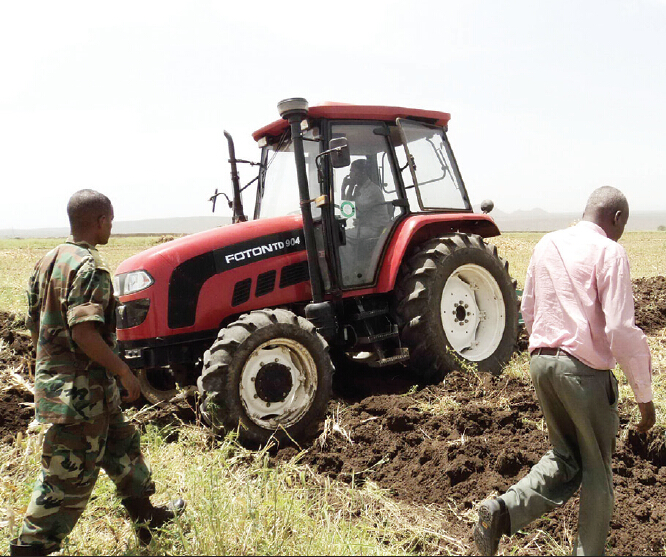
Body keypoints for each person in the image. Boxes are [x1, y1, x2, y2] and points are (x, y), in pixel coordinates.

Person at [473, 186, 655, 556]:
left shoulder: (547, 245)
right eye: (623, 224)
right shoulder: (611, 252)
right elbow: (621, 330)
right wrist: (645, 398)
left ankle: (502, 512)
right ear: (617, 218)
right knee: (597, 474)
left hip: (542, 364)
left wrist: (546, 351)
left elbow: (528, 308)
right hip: (583, 372)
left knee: (565, 457)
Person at [11, 190, 185, 556]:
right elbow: (84, 332)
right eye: (111, 220)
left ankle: (146, 517)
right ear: (100, 221)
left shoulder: (48, 261)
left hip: (79, 389)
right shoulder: (90, 267)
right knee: (67, 476)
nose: (112, 226)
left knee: (123, 448)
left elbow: (34, 325)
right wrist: (124, 371)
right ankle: (31, 547)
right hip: (81, 395)